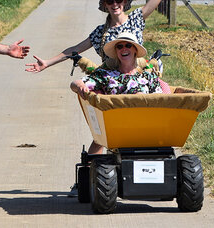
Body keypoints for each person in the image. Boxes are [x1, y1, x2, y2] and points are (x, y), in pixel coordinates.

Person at [25, 0, 201, 73]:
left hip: (138, 76)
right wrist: (47, 63)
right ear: (105, 5)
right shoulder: (100, 33)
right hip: (111, 84)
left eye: (118, 0)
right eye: (110, 1)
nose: (115, 4)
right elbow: (73, 50)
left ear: (125, 2)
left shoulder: (136, 18)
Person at [69, 32, 163, 196]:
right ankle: (88, 177)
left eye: (128, 45)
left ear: (135, 50)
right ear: (116, 52)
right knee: (101, 138)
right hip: (118, 126)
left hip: (147, 125)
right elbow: (76, 83)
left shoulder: (148, 76)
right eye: (120, 46)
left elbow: (162, 99)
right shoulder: (107, 76)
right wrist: (80, 87)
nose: (124, 49)